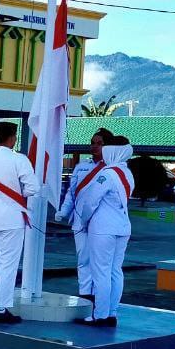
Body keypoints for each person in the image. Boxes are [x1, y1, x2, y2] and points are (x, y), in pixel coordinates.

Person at [0, 121, 38, 324]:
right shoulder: (18, 159)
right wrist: (18, 195)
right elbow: (32, 188)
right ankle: (0, 308)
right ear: (13, 138)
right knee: (8, 264)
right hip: (11, 218)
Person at [74, 136, 135, 327]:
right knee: (115, 272)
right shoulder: (127, 173)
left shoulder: (106, 175)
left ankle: (99, 315)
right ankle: (111, 313)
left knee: (100, 272)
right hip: (123, 227)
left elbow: (91, 201)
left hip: (102, 229)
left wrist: (83, 221)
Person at [55, 128, 111, 303]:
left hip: (100, 222)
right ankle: (85, 294)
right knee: (83, 258)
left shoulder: (111, 168)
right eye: (93, 143)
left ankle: (99, 296)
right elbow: (71, 194)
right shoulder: (81, 167)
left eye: (99, 143)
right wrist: (64, 211)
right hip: (79, 221)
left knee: (99, 261)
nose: (94, 146)